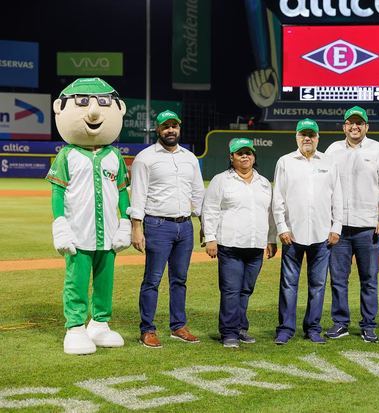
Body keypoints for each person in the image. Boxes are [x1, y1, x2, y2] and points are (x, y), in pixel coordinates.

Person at [47, 77, 131, 355]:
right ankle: (74, 327)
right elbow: (58, 193)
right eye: (82, 103)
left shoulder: (114, 156)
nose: (94, 112)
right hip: (78, 232)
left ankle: (100, 323)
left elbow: (122, 192)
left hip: (108, 232)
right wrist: (60, 224)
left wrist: (126, 221)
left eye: (103, 103)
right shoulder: (67, 155)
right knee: (77, 281)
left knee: (106, 281)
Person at [130, 110, 205, 348]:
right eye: (166, 127)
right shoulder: (145, 158)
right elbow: (138, 195)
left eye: (174, 126)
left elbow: (198, 193)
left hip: (185, 226)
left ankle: (178, 326)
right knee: (152, 279)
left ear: (179, 128)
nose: (170, 130)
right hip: (157, 225)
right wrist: (136, 228)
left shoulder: (190, 158)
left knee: (180, 280)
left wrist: (205, 224)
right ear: (158, 130)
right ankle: (147, 329)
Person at [324, 106, 379, 343]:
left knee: (369, 279)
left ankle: (368, 324)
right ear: (344, 126)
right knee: (338, 278)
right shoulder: (333, 150)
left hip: (369, 227)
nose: (354, 126)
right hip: (340, 228)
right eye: (350, 123)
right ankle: (341, 323)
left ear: (367, 126)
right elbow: (325, 188)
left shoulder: (378, 150)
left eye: (359, 123)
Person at [272, 118, 343, 345]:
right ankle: (285, 328)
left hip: (322, 234)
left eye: (311, 135)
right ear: (296, 137)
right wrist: (282, 227)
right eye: (303, 134)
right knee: (288, 285)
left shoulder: (329, 162)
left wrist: (336, 227)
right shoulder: (285, 162)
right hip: (293, 234)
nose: (307, 139)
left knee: (318, 285)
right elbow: (278, 199)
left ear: (317, 138)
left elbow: (337, 198)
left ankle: (313, 328)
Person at [202, 137, 278, 348]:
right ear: (231, 157)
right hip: (230, 244)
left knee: (246, 290)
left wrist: (271, 240)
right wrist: (210, 238)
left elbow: (269, 214)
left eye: (248, 152)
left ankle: (240, 328)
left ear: (254, 156)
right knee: (231, 290)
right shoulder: (221, 180)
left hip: (255, 245)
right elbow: (210, 209)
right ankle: (228, 332)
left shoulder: (263, 183)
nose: (245, 156)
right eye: (240, 153)